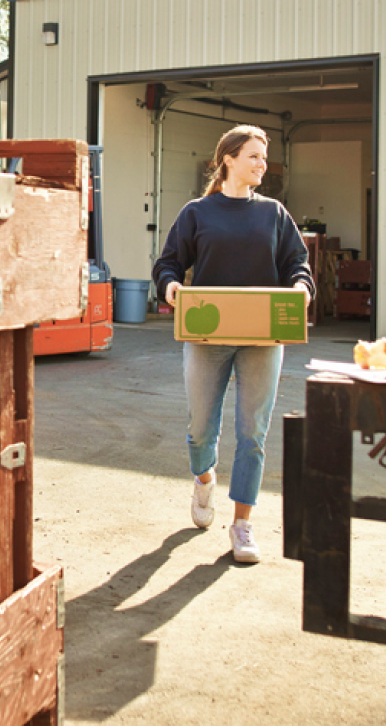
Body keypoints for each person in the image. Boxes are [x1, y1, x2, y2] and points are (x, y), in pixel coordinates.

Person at [151, 124, 314, 563]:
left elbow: (298, 264)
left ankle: (242, 524)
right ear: (228, 159)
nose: (263, 164)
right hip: (207, 335)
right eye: (254, 156)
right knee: (201, 426)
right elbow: (167, 264)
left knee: (253, 434)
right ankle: (204, 479)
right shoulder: (197, 213)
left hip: (262, 338)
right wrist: (170, 289)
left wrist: (301, 288)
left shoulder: (274, 214)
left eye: (264, 157)